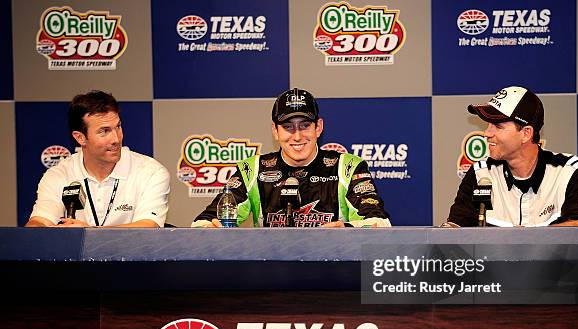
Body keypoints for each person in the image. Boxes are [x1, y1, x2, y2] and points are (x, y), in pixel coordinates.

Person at [192, 88, 391, 228]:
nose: (297, 136)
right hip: (270, 275)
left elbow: (379, 223)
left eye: (304, 125)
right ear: (275, 131)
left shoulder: (348, 167)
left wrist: (347, 230)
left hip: (333, 271)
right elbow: (203, 222)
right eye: (288, 127)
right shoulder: (252, 168)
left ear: (318, 127)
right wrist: (212, 227)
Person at [445, 86, 578, 227]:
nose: (487, 133)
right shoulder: (481, 174)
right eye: (488, 125)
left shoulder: (569, 172)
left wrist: (523, 239)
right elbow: (454, 230)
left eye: (498, 126)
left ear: (526, 133)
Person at [25, 90, 170, 228]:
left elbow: (148, 227)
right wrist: (35, 231)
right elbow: (40, 221)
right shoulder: (58, 175)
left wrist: (88, 233)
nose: (116, 139)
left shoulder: (150, 172)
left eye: (118, 127)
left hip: (131, 255)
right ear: (80, 138)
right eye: (104, 131)